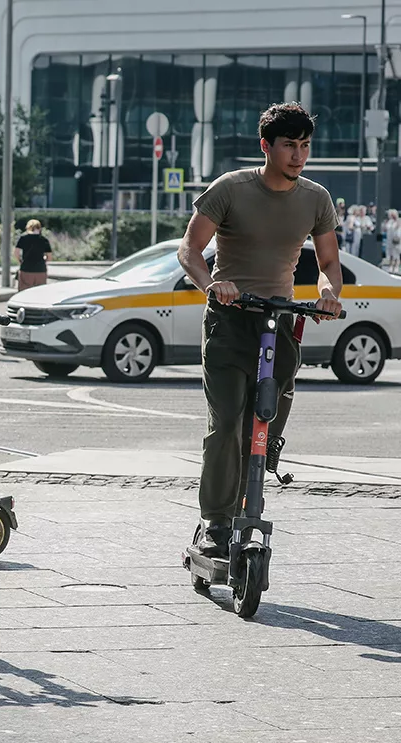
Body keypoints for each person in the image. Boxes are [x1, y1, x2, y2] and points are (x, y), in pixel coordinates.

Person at [176, 103, 342, 557]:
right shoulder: (230, 188)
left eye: (305, 146)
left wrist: (328, 293)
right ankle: (215, 521)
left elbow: (328, 262)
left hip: (279, 320)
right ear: (266, 145)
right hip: (230, 321)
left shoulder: (316, 198)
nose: (298, 155)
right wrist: (213, 285)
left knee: (264, 424)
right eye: (289, 145)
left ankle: (253, 485)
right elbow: (189, 249)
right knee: (228, 423)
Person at [15, 219, 53, 290]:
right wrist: (44, 260)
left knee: (24, 292)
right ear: (39, 228)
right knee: (39, 292)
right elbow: (49, 257)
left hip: (26, 269)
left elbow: (16, 253)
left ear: (28, 227)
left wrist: (20, 261)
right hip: (40, 270)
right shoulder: (44, 240)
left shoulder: (23, 238)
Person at [386, 208, 401, 273]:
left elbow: (397, 227)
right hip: (390, 240)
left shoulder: (399, 221)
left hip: (397, 239)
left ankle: (396, 267)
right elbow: (387, 228)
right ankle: (391, 266)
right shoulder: (390, 222)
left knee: (397, 254)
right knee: (391, 254)